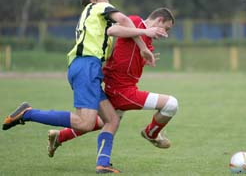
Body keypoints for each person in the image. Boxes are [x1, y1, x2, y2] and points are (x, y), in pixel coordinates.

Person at [2, 0, 167, 174]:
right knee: (85, 123)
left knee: (112, 119)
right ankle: (28, 113)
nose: (108, 1)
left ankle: (103, 163)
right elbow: (123, 20)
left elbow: (119, 30)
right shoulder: (99, 7)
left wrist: (140, 49)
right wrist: (145, 38)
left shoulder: (92, 17)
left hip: (87, 68)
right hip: (86, 66)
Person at [47, 8, 179, 158]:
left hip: (121, 87)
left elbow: (127, 59)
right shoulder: (136, 22)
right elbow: (113, 29)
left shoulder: (148, 42)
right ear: (159, 20)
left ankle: (60, 137)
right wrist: (143, 33)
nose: (165, 34)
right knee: (171, 104)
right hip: (121, 90)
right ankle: (151, 133)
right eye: (166, 28)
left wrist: (143, 61)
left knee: (102, 122)